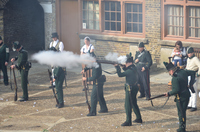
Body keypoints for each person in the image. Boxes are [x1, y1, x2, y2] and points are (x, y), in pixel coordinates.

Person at [114, 53, 142, 126]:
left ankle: (128, 121)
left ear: (130, 62)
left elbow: (120, 75)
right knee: (133, 103)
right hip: (134, 87)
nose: (125, 64)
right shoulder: (134, 67)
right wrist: (123, 67)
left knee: (128, 105)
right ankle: (139, 118)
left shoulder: (130, 70)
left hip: (130, 89)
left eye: (126, 63)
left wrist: (117, 67)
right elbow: (128, 70)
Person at [163, 62, 190, 132]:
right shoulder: (183, 71)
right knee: (183, 112)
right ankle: (182, 127)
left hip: (181, 97)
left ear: (171, 71)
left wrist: (168, 93)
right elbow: (192, 73)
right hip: (187, 94)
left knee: (181, 113)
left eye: (169, 72)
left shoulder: (174, 78)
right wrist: (191, 83)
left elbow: (176, 90)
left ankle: (182, 128)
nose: (169, 73)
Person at [185, 47, 200, 112]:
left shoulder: (195, 59)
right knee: (190, 90)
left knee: (193, 90)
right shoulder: (188, 59)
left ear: (192, 53)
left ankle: (194, 105)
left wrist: (198, 73)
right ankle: (190, 104)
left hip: (193, 76)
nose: (189, 54)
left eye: (190, 53)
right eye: (188, 53)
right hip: (188, 75)